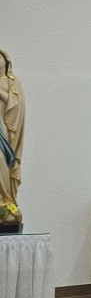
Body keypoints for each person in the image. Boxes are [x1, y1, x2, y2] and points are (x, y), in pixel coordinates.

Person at [0, 49, 25, 218]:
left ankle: (7, 199)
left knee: (2, 159)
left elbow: (17, 105)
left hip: (4, 128)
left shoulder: (13, 82)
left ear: (6, 60)